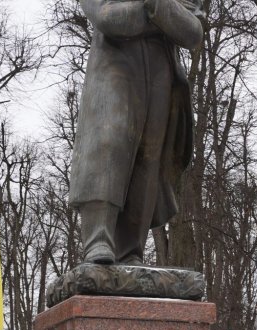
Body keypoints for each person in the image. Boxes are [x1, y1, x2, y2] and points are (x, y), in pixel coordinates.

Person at [71, 0, 203, 265]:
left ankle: (131, 250)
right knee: (108, 142)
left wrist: (151, 6)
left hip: (161, 71)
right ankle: (98, 238)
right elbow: (107, 19)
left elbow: (192, 31)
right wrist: (161, 17)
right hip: (114, 63)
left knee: (149, 158)